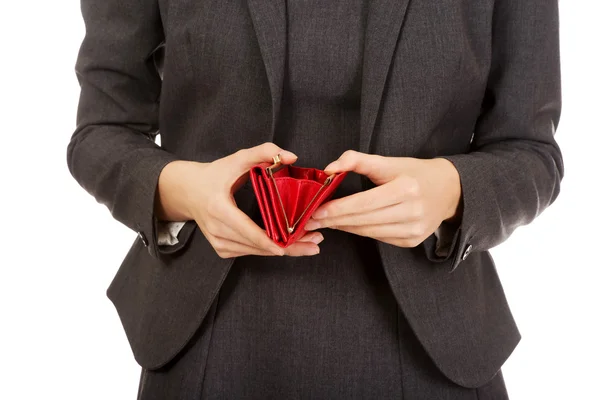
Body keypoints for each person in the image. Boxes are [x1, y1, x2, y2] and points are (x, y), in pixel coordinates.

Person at [66, 0, 563, 398]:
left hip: (431, 344)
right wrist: (183, 191)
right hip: (210, 337)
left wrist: (453, 191)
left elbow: (533, 152)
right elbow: (101, 132)